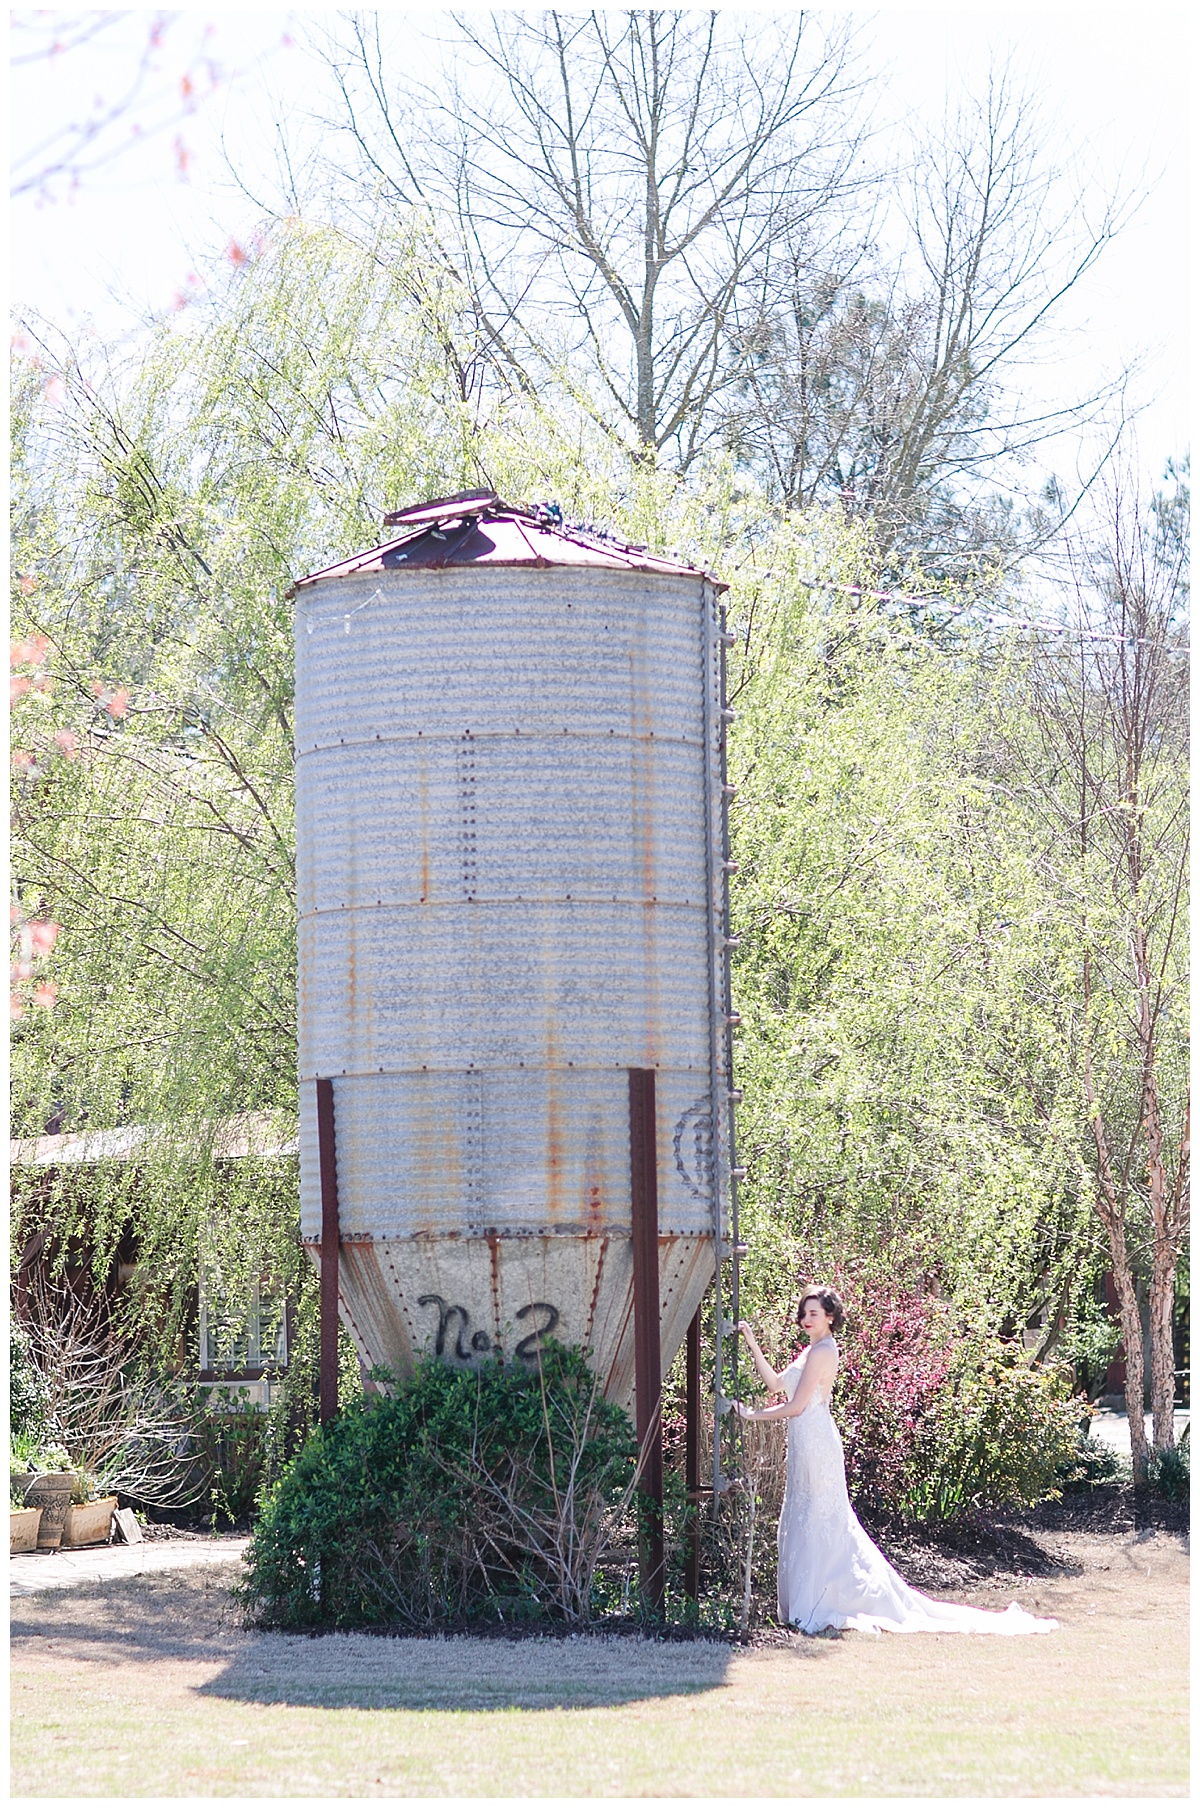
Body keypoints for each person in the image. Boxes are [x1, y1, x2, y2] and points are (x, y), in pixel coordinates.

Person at [735, 1284, 1057, 1636]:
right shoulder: (809, 1351)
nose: (807, 1319)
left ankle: (821, 1602)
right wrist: (752, 1342)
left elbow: (796, 1407)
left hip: (816, 1443)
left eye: (815, 1313)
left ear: (830, 1317)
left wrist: (752, 1416)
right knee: (802, 1512)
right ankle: (804, 1603)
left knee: (821, 1517)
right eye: (805, 1313)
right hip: (802, 1444)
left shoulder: (824, 1351)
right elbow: (775, 1384)